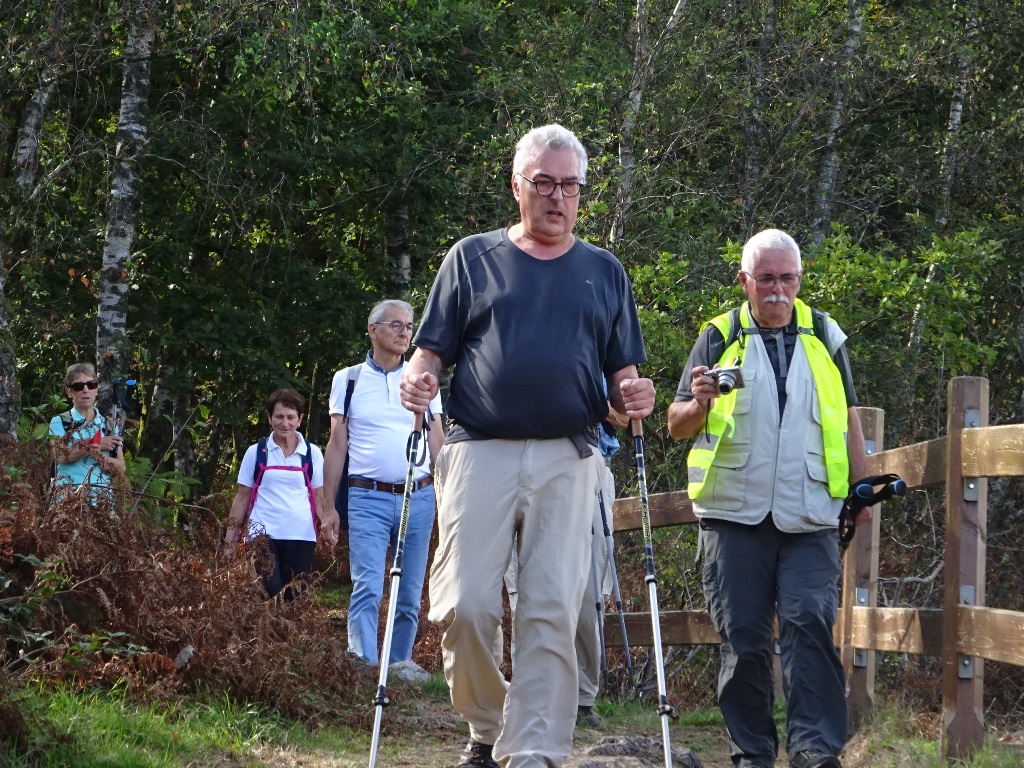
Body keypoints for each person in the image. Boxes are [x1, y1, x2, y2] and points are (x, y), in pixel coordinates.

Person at [400, 123, 655, 768]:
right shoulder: (472, 258)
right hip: (477, 448)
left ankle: (536, 750)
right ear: (517, 185)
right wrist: (417, 375)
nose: (557, 197)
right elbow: (429, 349)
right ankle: (489, 726)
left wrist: (635, 395)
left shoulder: (604, 271)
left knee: (551, 608)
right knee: (464, 605)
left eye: (570, 185)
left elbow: (625, 369)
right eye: (544, 182)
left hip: (569, 456)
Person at [667, 228, 868, 768]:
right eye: (766, 278)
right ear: (745, 281)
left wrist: (862, 488)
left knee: (809, 623)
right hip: (734, 513)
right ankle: (751, 754)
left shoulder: (825, 335)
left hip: (811, 514)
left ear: (799, 280)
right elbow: (676, 424)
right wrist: (702, 402)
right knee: (746, 638)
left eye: (787, 278)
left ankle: (814, 750)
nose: (777, 289)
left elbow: (849, 418)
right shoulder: (717, 335)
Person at [323, 299, 445, 669]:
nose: (404, 332)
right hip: (367, 497)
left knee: (409, 592)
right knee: (368, 586)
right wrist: (328, 507)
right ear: (372, 330)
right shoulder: (348, 380)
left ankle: (399, 665)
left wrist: (453, 496)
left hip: (418, 496)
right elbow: (337, 444)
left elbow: (438, 439)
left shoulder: (425, 381)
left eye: (409, 326)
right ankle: (363, 665)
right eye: (395, 324)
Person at [226, 389, 339, 600]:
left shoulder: (312, 453)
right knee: (268, 590)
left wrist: (327, 526)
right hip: (261, 535)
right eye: (279, 416)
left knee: (294, 597)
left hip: (301, 536)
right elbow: (242, 498)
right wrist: (230, 541)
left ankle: (283, 634)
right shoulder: (256, 453)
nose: (284, 423)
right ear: (269, 418)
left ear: (300, 419)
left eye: (290, 417)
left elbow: (319, 497)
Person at [49, 362, 126, 494]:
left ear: (96, 389)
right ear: (69, 391)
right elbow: (58, 457)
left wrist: (98, 454)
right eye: (79, 386)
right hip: (67, 502)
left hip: (102, 503)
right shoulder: (60, 422)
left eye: (91, 385)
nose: (86, 390)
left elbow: (121, 467)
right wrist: (92, 444)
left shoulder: (109, 425)